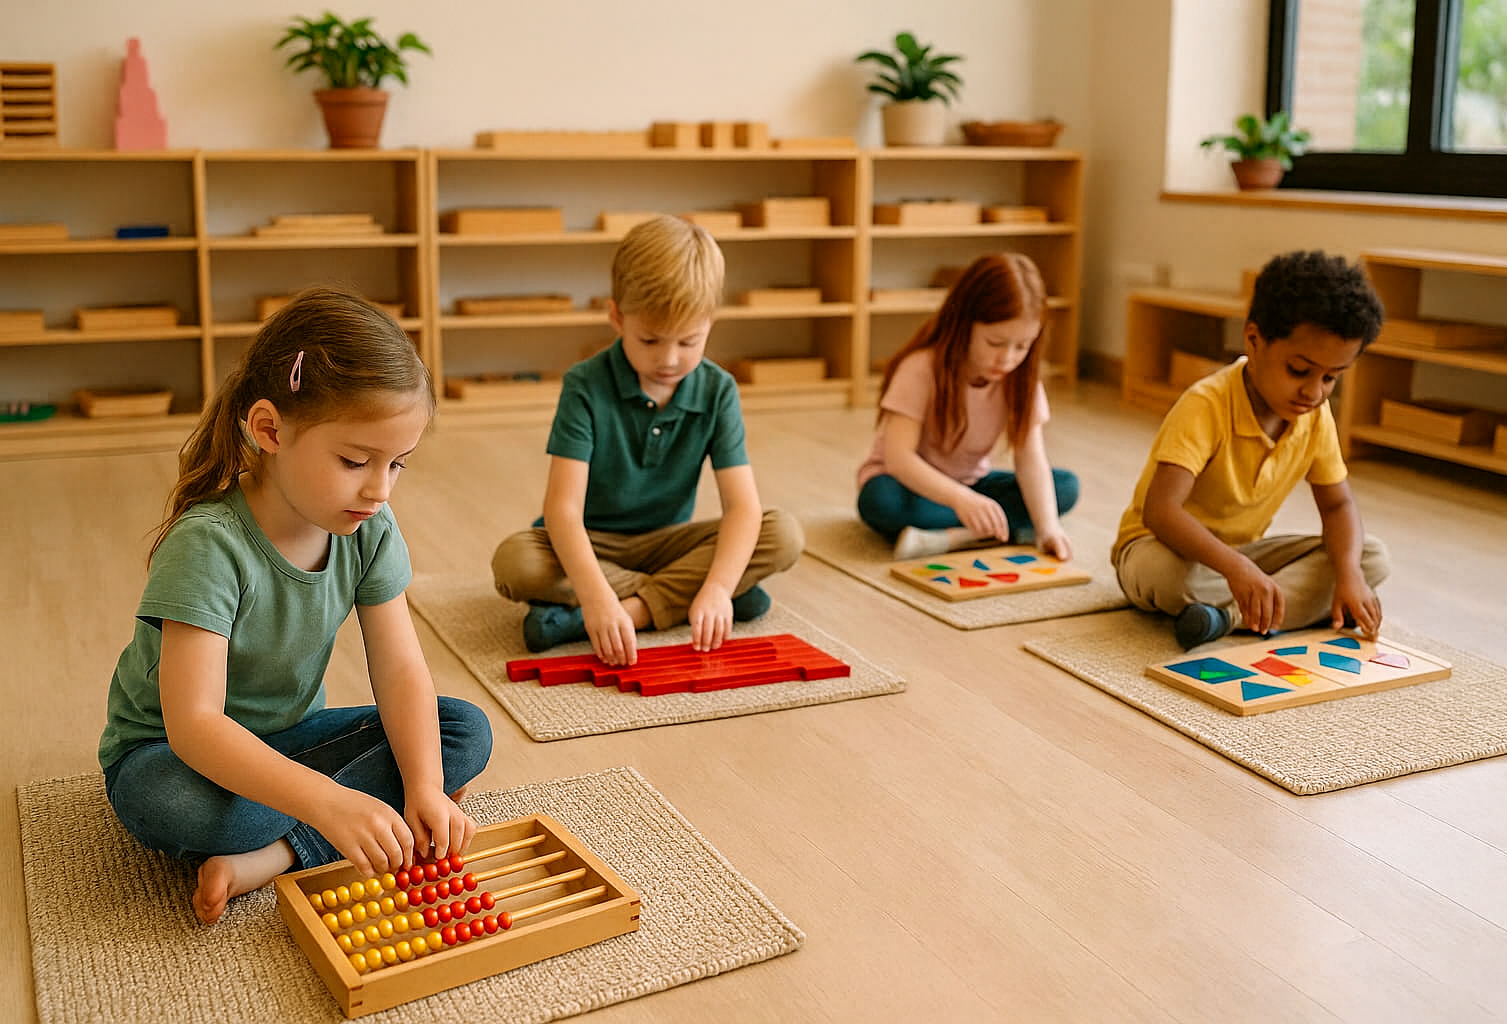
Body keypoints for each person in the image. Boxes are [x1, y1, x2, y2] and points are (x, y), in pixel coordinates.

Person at [98, 288, 493, 925]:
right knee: (172, 806)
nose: (378, 488)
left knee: (462, 731)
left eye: (398, 465)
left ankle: (277, 852)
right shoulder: (208, 545)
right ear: (269, 429)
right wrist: (330, 802)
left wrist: (422, 784)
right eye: (355, 460)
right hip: (170, 756)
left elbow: (400, 672)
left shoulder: (370, 526)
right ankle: (321, 822)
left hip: (288, 743)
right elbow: (195, 726)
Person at [491, 215, 803, 665]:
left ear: (710, 324)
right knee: (516, 562)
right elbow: (562, 511)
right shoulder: (585, 384)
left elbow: (743, 508)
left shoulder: (718, 390)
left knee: (783, 534)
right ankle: (686, 599)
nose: (670, 359)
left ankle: (633, 612)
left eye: (689, 341)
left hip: (669, 541)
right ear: (617, 316)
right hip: (592, 543)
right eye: (651, 340)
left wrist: (716, 588)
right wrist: (597, 596)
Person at [1113, 249, 1391, 651]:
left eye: (1331, 378)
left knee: (1370, 558)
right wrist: (1236, 568)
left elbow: (1337, 506)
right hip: (1159, 550)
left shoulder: (1315, 415)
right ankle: (1268, 607)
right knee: (1171, 578)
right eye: (1299, 370)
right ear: (1254, 339)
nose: (1314, 392)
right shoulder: (1206, 403)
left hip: (1239, 558)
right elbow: (1161, 511)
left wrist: (1348, 573)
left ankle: (1227, 617)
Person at [856, 252, 1079, 562]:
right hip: (908, 485)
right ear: (964, 323)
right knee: (880, 501)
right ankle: (1000, 530)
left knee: (1065, 487)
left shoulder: (1020, 379)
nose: (1008, 359)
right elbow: (898, 459)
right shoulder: (920, 368)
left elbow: (1030, 459)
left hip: (971, 486)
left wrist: (1048, 528)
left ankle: (957, 536)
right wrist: (961, 500)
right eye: (995, 343)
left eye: (1022, 346)